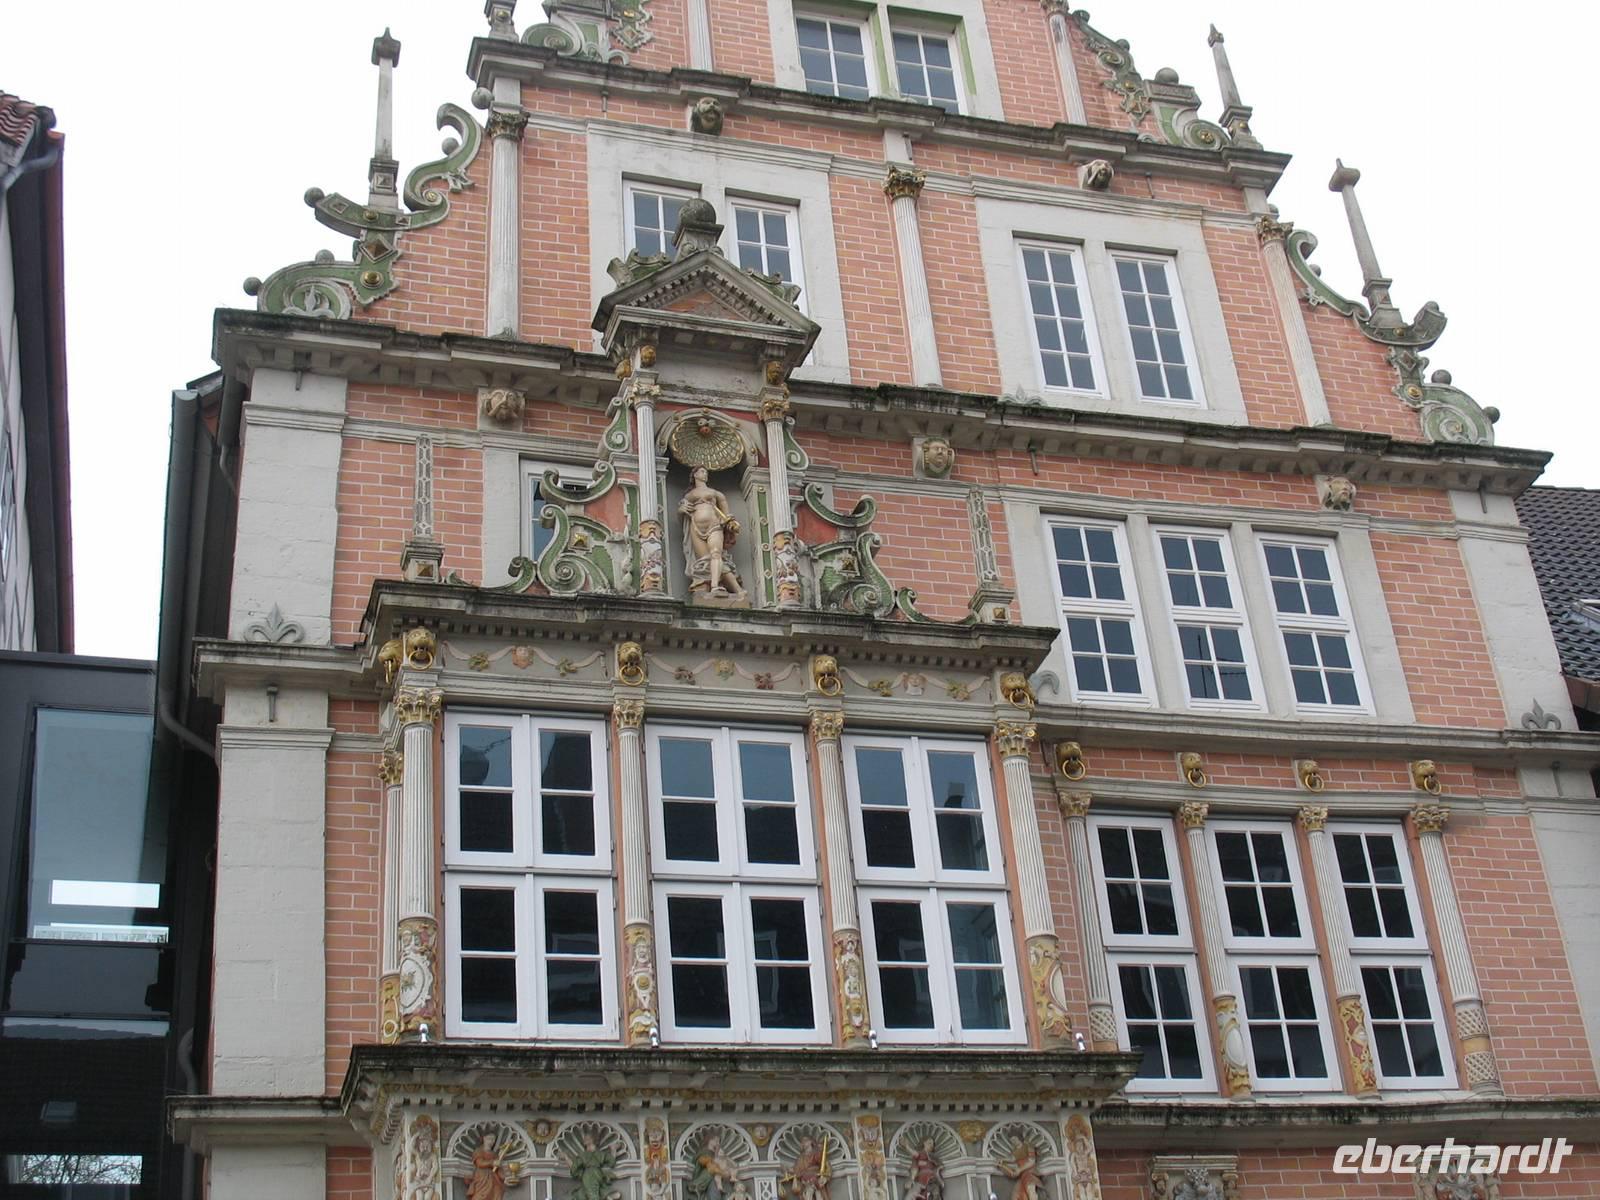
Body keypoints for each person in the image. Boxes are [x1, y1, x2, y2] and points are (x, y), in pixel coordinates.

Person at [679, 466, 745, 599]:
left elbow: (726, 514)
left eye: (706, 472)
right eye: (702, 471)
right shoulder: (688, 495)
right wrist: (680, 510)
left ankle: (715, 586)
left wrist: (729, 522)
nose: (705, 474)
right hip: (695, 527)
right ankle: (737, 590)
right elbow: (682, 517)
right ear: (695, 475)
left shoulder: (715, 493)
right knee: (705, 560)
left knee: (715, 554)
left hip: (714, 525)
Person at [689, 1133, 741, 1200]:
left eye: (719, 1142)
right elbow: (705, 1163)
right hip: (709, 1176)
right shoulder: (704, 1152)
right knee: (714, 1194)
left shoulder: (717, 1153)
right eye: (716, 1141)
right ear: (710, 1140)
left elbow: (725, 1162)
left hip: (719, 1177)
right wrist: (721, 1172)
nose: (718, 1143)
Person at [467, 1133, 510, 1200]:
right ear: (484, 1139)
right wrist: (492, 1162)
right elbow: (479, 1163)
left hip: (494, 1179)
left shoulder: (494, 1154)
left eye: (493, 1139)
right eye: (489, 1139)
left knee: (497, 1192)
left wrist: (505, 1179)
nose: (491, 1141)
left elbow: (498, 1169)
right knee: (480, 1195)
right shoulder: (479, 1151)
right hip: (482, 1177)